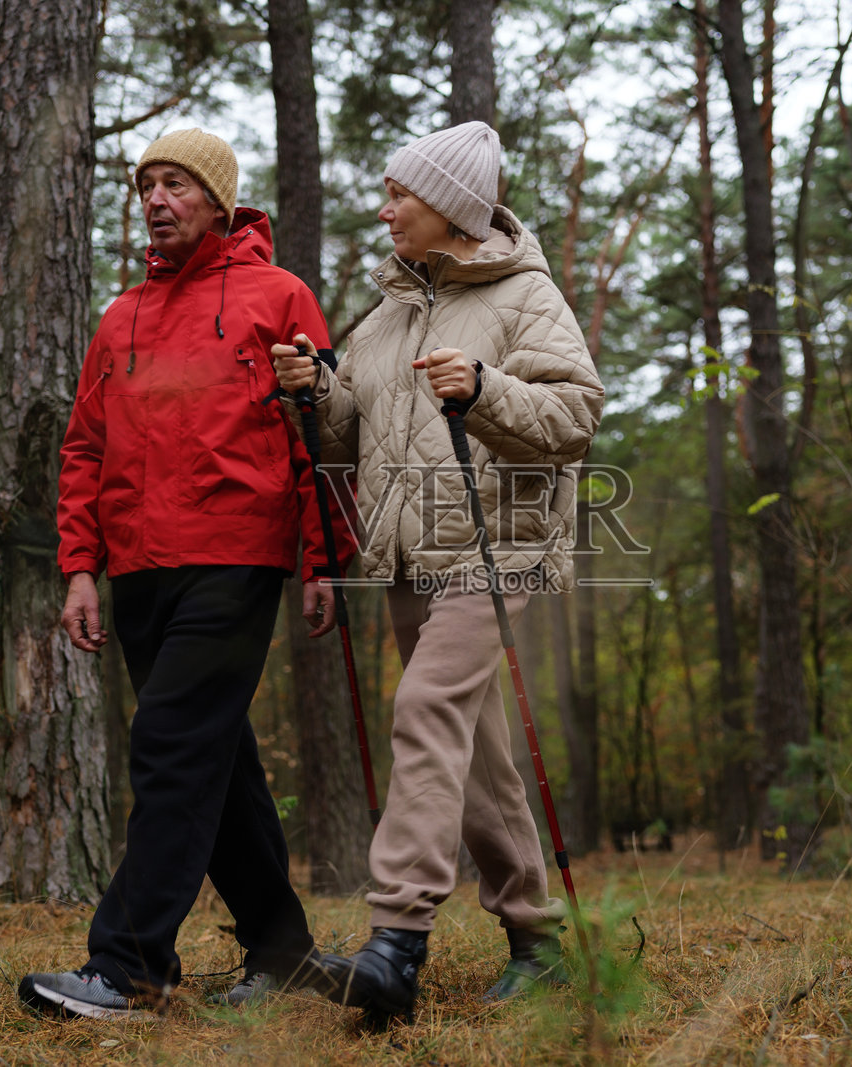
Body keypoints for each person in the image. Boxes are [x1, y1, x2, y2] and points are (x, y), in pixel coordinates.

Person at [271, 120, 603, 1026]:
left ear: (450, 209)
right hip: (412, 553)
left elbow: (576, 415)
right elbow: (351, 436)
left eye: (398, 196)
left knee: (423, 708)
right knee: (478, 752)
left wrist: (485, 387)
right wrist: (317, 390)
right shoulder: (388, 311)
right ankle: (537, 944)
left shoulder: (524, 293)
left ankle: (395, 944)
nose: (383, 211)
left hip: (501, 551)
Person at [18, 128, 345, 1020]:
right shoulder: (120, 316)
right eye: (147, 185)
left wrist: (324, 559)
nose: (157, 200)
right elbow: (84, 448)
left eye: (177, 185)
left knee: (169, 747)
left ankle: (129, 965)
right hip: (139, 571)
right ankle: (283, 954)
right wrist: (80, 567)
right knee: (214, 760)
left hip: (236, 557)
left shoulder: (279, 298)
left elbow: (320, 438)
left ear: (219, 201)